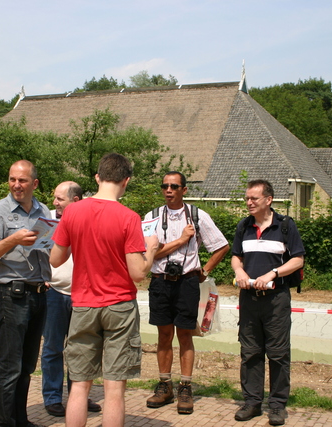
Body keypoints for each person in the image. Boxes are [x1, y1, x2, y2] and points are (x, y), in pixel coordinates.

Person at [50, 153, 159, 427]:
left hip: (83, 305)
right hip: (119, 306)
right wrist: (153, 250)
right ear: (126, 181)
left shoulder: (72, 211)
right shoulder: (129, 217)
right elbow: (138, 273)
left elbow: (55, 259)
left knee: (79, 385)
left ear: (97, 178)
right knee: (114, 389)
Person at [143, 171, 229, 415]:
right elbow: (147, 255)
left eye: (174, 186)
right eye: (165, 186)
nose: (168, 190)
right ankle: (164, 385)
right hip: (160, 281)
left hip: (187, 282)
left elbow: (221, 245)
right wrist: (181, 240)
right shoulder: (151, 218)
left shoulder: (198, 216)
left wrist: (206, 269)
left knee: (185, 335)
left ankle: (185, 387)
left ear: (184, 189)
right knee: (163, 335)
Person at [0, 160, 51, 427]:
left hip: (40, 294)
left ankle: (20, 420)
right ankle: (3, 423)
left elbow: (49, 252)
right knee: (9, 367)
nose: (16, 185)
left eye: (22, 180)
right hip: (12, 296)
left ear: (35, 183)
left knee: (27, 367)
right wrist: (12, 240)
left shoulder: (44, 211)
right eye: (12, 180)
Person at [231, 179, 305, 425]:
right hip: (249, 299)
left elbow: (297, 260)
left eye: (254, 198)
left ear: (268, 200)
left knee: (278, 353)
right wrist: (240, 272)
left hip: (276, 300)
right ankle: (252, 403)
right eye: (247, 198)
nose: (249, 202)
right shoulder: (244, 226)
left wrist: (273, 273)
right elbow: (235, 257)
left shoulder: (285, 226)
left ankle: (277, 406)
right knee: (250, 352)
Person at [40, 181, 101, 417]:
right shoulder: (48, 223)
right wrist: (42, 276)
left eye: (59, 199)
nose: (54, 203)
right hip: (54, 294)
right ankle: (53, 398)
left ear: (75, 201)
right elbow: (39, 252)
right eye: (54, 199)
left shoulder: (91, 222)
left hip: (82, 295)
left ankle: (79, 397)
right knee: (53, 348)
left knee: (82, 349)